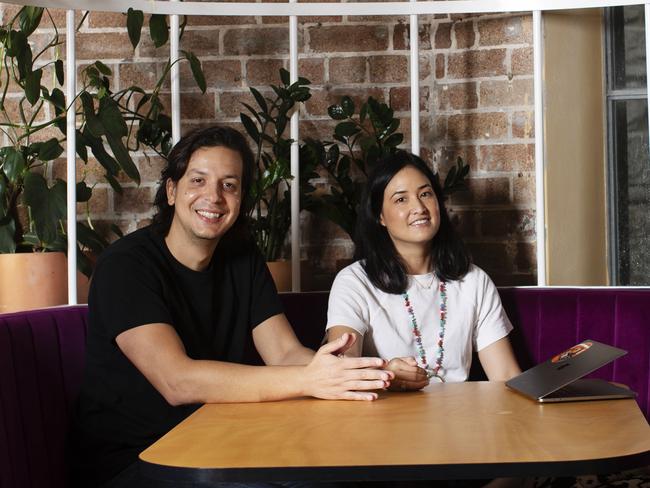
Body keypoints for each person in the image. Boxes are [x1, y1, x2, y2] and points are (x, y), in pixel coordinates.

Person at [70, 125, 394, 488]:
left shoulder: (242, 259)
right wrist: (309, 379)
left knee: (340, 474)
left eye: (229, 185)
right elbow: (177, 381)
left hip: (218, 444)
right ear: (172, 191)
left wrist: (362, 374)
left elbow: (285, 353)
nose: (214, 197)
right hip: (137, 462)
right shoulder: (126, 265)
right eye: (197, 181)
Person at [326, 150, 521, 391]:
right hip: (383, 420)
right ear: (380, 217)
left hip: (460, 420)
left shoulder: (474, 281)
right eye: (401, 199)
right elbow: (339, 368)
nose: (419, 207)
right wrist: (385, 375)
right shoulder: (354, 282)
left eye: (425, 194)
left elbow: (505, 375)